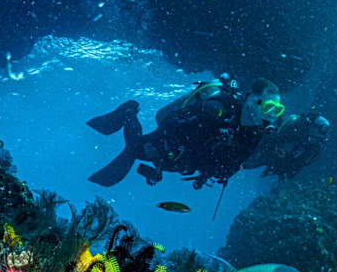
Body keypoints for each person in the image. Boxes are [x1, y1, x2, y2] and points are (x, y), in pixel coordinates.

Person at [87, 76, 285, 189]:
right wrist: (166, 149)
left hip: (186, 162)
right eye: (268, 107)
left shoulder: (256, 133)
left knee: (138, 151)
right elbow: (173, 120)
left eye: (276, 110)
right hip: (169, 145)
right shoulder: (217, 109)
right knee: (135, 148)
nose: (271, 116)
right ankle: (130, 111)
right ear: (250, 99)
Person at [242, 112, 330, 180]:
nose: (321, 136)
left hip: (274, 162)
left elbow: (300, 164)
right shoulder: (294, 132)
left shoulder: (313, 147)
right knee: (245, 163)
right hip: (266, 153)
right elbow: (269, 141)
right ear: (313, 127)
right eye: (321, 129)